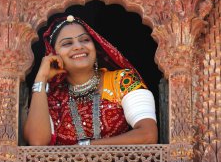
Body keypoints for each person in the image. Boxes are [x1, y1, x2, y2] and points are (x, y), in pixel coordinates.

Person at [24, 15, 158, 146]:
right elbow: (37, 142)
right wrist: (40, 78)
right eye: (67, 43)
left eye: (85, 40)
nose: (78, 46)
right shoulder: (52, 97)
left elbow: (148, 135)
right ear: (53, 54)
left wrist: (87, 146)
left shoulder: (122, 81)